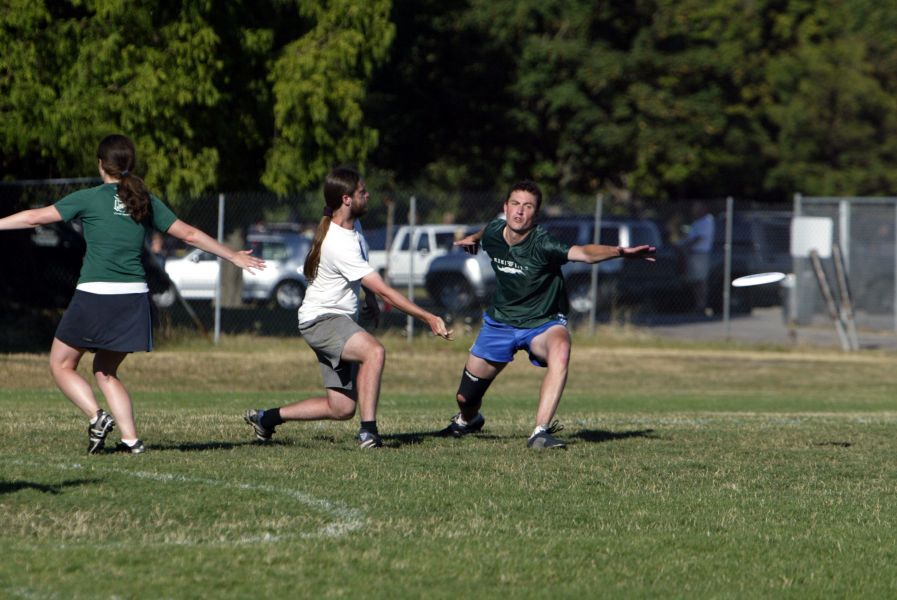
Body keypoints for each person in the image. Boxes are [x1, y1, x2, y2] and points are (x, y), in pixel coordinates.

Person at [0, 134, 265, 454]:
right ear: (129, 164)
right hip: (134, 298)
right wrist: (232, 255)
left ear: (101, 164)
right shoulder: (143, 199)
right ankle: (131, 441)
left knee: (61, 365)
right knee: (105, 370)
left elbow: (34, 217)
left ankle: (97, 416)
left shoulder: (89, 197)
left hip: (96, 295)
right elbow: (190, 234)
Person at [243, 166, 453, 449]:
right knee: (374, 352)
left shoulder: (352, 227)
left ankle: (266, 419)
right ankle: (369, 433)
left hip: (331, 320)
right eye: (362, 192)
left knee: (341, 408)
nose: (368, 195)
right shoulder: (338, 242)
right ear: (346, 199)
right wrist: (428, 317)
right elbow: (385, 289)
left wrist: (369, 300)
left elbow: (365, 275)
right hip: (322, 321)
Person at [443, 180, 656, 449]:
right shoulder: (495, 230)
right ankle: (468, 420)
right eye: (515, 204)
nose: (520, 211)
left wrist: (620, 251)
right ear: (505, 208)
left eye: (528, 206)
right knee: (465, 398)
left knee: (561, 347)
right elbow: (487, 230)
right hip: (500, 324)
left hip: (542, 324)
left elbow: (584, 253)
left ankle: (540, 432)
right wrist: (473, 239)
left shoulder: (543, 243)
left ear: (536, 214)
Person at [680, 201, 715, 314]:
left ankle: (702, 305)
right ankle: (698, 304)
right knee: (695, 281)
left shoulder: (707, 221)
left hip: (700, 254)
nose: (694, 210)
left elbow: (700, 237)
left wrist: (686, 245)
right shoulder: (697, 222)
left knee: (701, 281)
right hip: (693, 254)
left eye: (697, 208)